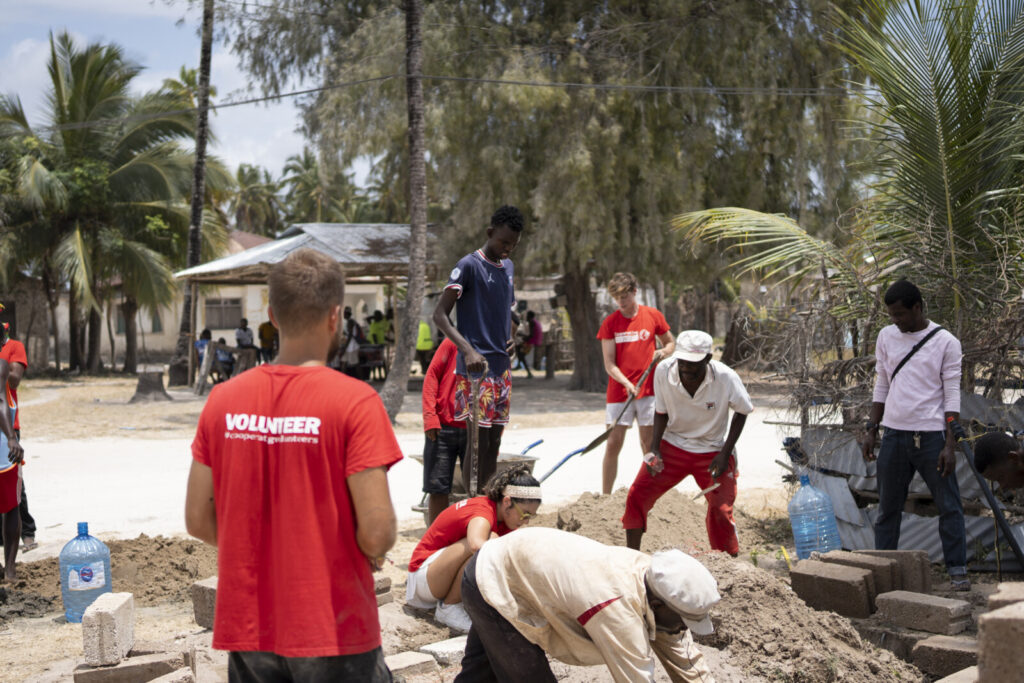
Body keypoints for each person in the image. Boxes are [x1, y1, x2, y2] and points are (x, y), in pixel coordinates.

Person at [185, 248, 401, 681]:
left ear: (272, 315)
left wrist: (264, 550)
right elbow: (377, 534)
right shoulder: (355, 402)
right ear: (334, 316)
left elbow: (197, 520)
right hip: (335, 627)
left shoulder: (223, 401)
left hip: (249, 629)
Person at [455, 527, 719, 683]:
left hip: (517, 567)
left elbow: (688, 663)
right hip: (495, 581)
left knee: (478, 676)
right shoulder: (616, 607)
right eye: (684, 620)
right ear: (660, 605)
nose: (685, 628)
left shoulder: (652, 579)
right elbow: (636, 678)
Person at [861, 279, 968, 591]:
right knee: (888, 509)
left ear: (917, 308)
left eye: (901, 315)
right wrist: (872, 428)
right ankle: (884, 572)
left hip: (932, 437)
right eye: (891, 316)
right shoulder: (886, 336)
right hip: (894, 435)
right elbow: (882, 383)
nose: (896, 321)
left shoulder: (946, 342)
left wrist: (951, 444)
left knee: (949, 506)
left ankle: (957, 572)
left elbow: (952, 396)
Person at [623, 330, 751, 556]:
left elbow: (742, 412)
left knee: (721, 510)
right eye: (683, 362)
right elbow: (660, 412)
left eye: (693, 364)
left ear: (708, 359)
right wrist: (654, 450)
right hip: (673, 446)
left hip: (713, 451)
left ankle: (728, 566)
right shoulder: (663, 371)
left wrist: (724, 454)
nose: (686, 369)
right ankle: (632, 557)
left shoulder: (725, 377)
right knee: (636, 495)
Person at [433, 205, 524, 494]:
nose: (508, 249)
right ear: (489, 233)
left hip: (502, 369)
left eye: (513, 244)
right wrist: (467, 350)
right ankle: (475, 501)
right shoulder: (469, 265)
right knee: (478, 442)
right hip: (476, 372)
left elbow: (509, 312)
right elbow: (440, 315)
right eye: (503, 242)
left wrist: (513, 336)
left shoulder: (508, 268)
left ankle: (488, 500)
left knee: (495, 442)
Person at [407, 466, 541, 633]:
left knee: (499, 547)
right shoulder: (482, 511)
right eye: (525, 514)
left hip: (437, 577)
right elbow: (476, 545)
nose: (526, 521)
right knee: (489, 544)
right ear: (507, 502)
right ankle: (449, 608)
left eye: (531, 516)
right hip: (423, 581)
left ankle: (457, 604)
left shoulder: (504, 519)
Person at [597, 273, 676, 495]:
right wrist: (627, 383)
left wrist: (663, 352)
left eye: (625, 295)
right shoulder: (610, 323)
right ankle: (605, 495)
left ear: (634, 291)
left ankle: (652, 491)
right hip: (619, 393)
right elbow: (609, 364)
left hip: (650, 391)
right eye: (617, 297)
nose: (621, 301)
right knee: (613, 443)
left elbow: (670, 343)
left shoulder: (652, 316)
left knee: (649, 444)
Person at [422, 337, 467, 523]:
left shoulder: (492, 342)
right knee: (437, 488)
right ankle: (436, 538)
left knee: (478, 489)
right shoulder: (451, 342)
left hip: (475, 429)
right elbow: (432, 375)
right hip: (442, 428)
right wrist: (430, 417)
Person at [0, 314, 33, 552]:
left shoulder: (14, 347)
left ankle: (28, 532)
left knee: (14, 486)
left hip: (8, 426)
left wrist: (1, 370)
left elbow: (14, 381)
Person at [0, 323, 25, 581]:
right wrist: (10, 437)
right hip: (3, 442)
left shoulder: (6, 363)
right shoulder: (1, 365)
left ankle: (7, 569)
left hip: (3, 440)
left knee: (12, 504)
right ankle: (9, 569)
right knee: (11, 505)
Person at [514, 310, 542, 379]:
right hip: (534, 341)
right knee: (518, 349)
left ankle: (528, 372)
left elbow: (531, 335)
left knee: (520, 354)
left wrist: (522, 336)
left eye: (527, 316)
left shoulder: (531, 322)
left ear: (529, 316)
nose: (526, 317)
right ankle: (519, 365)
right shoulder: (535, 322)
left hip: (532, 342)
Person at [341, 306, 364, 377]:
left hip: (352, 347)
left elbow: (350, 336)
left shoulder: (350, 321)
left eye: (344, 313)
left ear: (347, 314)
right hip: (350, 347)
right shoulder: (350, 321)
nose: (343, 315)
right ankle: (342, 379)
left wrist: (345, 347)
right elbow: (350, 334)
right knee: (343, 362)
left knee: (356, 364)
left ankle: (362, 379)